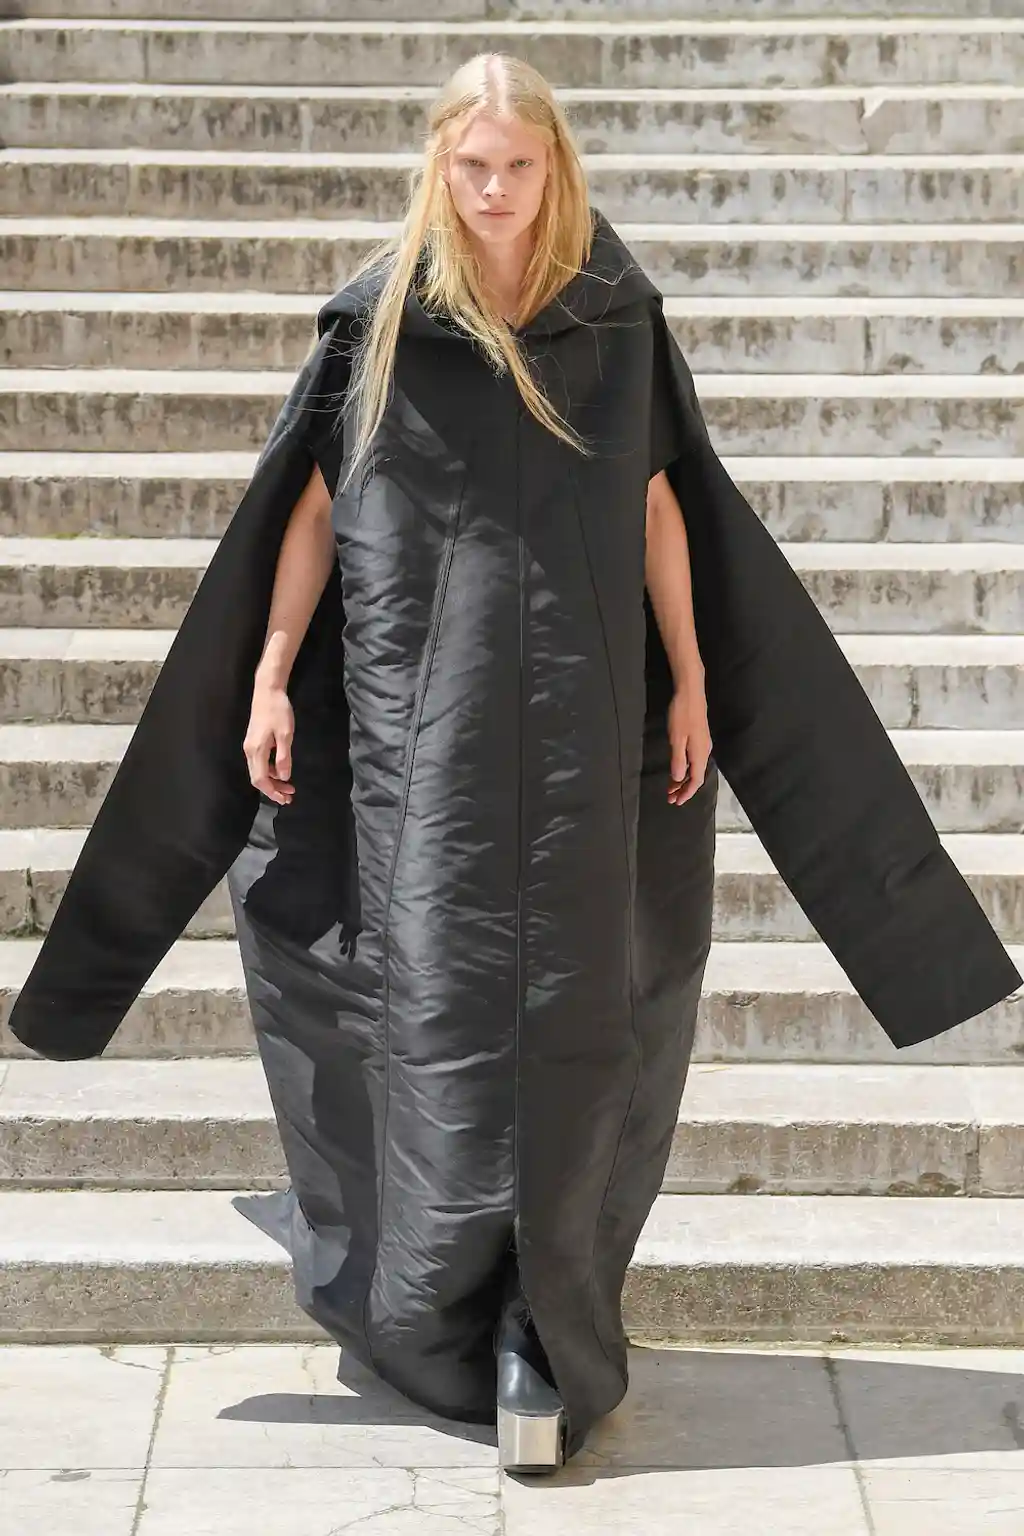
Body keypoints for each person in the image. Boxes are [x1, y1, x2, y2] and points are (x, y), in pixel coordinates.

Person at [8, 53, 1020, 1477]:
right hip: (415, 734)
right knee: (424, 1012)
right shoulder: (378, 324)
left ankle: (548, 1316)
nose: (494, 191)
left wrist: (694, 677)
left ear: (557, 169)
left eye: (519, 167)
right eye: (473, 166)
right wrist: (270, 672)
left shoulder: (616, 319)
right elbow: (307, 511)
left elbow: (664, 505)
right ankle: (433, 1304)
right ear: (442, 165)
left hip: (584, 734)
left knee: (582, 1020)